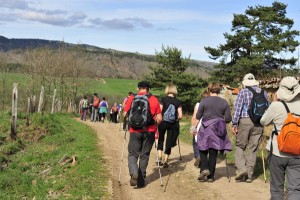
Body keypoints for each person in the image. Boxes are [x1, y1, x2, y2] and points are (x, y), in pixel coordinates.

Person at [260, 76, 300, 199]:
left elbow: (263, 121)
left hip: (277, 151)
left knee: (277, 188)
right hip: (297, 152)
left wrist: (274, 102)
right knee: (295, 188)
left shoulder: (276, 106)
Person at [123, 81, 162, 188]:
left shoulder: (132, 98)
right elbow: (159, 118)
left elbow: (125, 113)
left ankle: (134, 172)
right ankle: (141, 181)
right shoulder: (154, 100)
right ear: (148, 89)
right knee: (144, 155)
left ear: (138, 88)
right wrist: (154, 124)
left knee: (132, 154)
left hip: (135, 131)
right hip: (149, 132)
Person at [191, 83, 232, 182]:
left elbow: (198, 117)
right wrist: (221, 121)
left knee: (202, 148)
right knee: (213, 152)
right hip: (218, 129)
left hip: (206, 128)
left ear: (209, 90)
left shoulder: (204, 101)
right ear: (219, 90)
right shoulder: (224, 103)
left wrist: (194, 127)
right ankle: (211, 176)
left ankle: (204, 168)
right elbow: (228, 118)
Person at [231, 73, 268, 183]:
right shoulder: (264, 92)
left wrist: (234, 124)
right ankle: (249, 175)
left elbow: (237, 109)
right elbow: (268, 109)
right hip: (259, 123)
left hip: (245, 121)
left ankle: (242, 169)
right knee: (253, 148)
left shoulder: (243, 92)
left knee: (240, 145)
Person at [156, 84, 182, 168]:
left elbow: (159, 111)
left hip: (163, 122)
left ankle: (159, 158)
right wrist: (176, 118)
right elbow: (180, 115)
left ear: (167, 90)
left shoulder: (163, 99)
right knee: (169, 141)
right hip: (172, 124)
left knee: (161, 138)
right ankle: (166, 160)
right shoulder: (178, 101)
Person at [191, 90, 209, 168]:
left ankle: (198, 156)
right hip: (207, 127)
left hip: (198, 126)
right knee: (205, 143)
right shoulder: (210, 105)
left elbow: (194, 117)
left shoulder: (198, 105)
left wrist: (192, 127)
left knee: (195, 142)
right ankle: (204, 157)